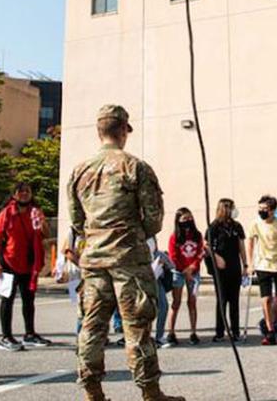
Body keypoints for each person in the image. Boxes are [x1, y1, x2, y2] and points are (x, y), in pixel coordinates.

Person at [67, 104, 184, 401]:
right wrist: (134, 234)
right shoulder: (135, 167)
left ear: (99, 130)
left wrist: (97, 238)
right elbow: (154, 218)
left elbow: (77, 221)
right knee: (137, 326)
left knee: (92, 327)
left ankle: (93, 392)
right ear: (122, 130)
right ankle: (150, 392)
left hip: (93, 260)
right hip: (128, 259)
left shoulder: (79, 171)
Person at [0, 182, 51, 352]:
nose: (24, 194)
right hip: (9, 261)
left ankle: (29, 333)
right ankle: (6, 336)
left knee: (28, 300)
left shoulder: (35, 211)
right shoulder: (7, 213)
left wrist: (42, 221)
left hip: (29, 262)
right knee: (7, 300)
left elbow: (45, 234)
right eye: (21, 191)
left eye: (28, 191)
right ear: (14, 194)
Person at [246, 195, 277, 346]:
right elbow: (251, 242)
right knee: (266, 299)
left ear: (272, 210)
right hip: (262, 266)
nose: (262, 212)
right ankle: (270, 331)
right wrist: (250, 263)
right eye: (260, 209)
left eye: (265, 209)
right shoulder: (256, 224)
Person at [207, 198, 246, 342]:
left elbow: (241, 245)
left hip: (234, 266)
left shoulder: (237, 226)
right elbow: (207, 245)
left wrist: (245, 265)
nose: (234, 210)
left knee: (234, 300)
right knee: (222, 300)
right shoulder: (214, 227)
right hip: (220, 269)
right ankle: (220, 331)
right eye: (231, 207)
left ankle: (235, 331)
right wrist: (217, 258)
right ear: (225, 209)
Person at [167, 207, 204, 346]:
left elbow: (200, 252)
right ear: (178, 221)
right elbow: (173, 257)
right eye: (184, 219)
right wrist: (184, 270)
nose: (188, 221)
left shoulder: (197, 235)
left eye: (190, 218)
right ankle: (171, 331)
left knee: (192, 302)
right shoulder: (174, 237)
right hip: (179, 272)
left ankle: (193, 332)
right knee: (176, 302)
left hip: (194, 272)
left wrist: (192, 267)